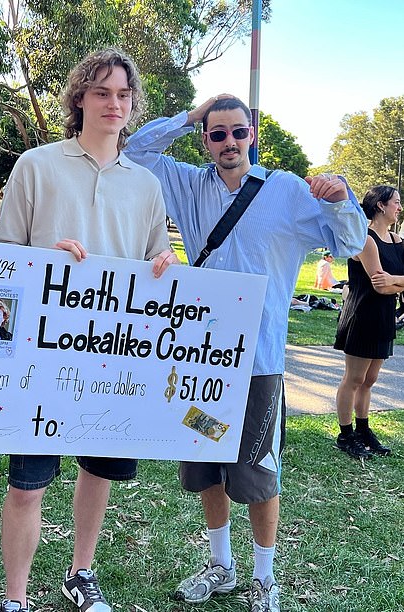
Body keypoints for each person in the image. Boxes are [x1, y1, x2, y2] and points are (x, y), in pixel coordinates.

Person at [125, 95, 367, 612]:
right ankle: (221, 565)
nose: (228, 142)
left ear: (252, 134)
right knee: (206, 466)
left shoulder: (285, 190)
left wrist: (341, 196)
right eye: (216, 134)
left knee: (258, 473)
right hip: (200, 361)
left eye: (237, 132)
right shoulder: (190, 186)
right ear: (206, 140)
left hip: (259, 365)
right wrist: (191, 114)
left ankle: (264, 577)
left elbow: (348, 242)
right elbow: (136, 149)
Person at [0, 48, 178, 612]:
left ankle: (81, 572)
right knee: (28, 483)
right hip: (42, 357)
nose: (113, 103)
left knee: (97, 473)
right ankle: (16, 598)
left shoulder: (145, 184)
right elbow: (0, 254)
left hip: (117, 358)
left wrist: (168, 261)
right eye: (101, 92)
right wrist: (43, 258)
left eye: (123, 94)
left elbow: (156, 252)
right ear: (80, 99)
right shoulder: (36, 164)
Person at [334, 185, 404, 458]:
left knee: (370, 379)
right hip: (362, 314)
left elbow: (390, 284)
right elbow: (380, 286)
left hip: (385, 316)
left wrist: (395, 281)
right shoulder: (364, 239)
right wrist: (397, 284)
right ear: (380, 206)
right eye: (396, 202)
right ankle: (345, 434)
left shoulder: (398, 241)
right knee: (354, 378)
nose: (399, 207)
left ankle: (363, 429)